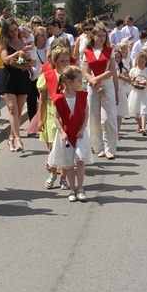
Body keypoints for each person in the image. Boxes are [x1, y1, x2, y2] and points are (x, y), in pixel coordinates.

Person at [48, 66, 93, 202]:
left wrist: (82, 129)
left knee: (80, 159)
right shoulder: (59, 98)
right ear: (68, 81)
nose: (81, 83)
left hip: (79, 133)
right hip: (66, 134)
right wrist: (62, 132)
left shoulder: (82, 95)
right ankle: (72, 189)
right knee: (68, 163)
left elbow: (86, 114)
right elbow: (56, 117)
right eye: (79, 80)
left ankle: (80, 188)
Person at [82, 24, 119, 160]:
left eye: (104, 36)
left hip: (106, 85)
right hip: (92, 86)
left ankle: (110, 148)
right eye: (99, 36)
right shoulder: (88, 51)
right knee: (94, 117)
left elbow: (111, 71)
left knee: (108, 118)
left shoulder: (110, 50)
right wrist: (94, 83)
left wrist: (97, 79)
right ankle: (98, 147)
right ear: (93, 36)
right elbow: (85, 71)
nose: (102, 38)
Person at [39, 45, 73, 190]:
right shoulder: (47, 76)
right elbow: (41, 99)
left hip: (67, 113)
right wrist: (40, 118)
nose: (65, 64)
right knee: (53, 146)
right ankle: (53, 173)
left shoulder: (72, 75)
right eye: (62, 61)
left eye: (67, 60)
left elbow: (80, 95)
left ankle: (64, 177)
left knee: (64, 147)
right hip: (51, 112)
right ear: (54, 61)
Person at [0, 19, 35, 153]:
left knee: (19, 111)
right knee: (12, 109)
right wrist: (18, 53)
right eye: (10, 30)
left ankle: (11, 138)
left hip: (22, 77)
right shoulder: (4, 43)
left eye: (15, 29)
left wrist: (30, 67)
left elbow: (31, 61)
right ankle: (18, 138)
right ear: (6, 32)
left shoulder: (23, 43)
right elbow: (5, 60)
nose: (14, 32)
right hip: (8, 78)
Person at [129, 51, 147, 136]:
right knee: (137, 110)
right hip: (136, 92)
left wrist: (146, 81)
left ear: (146, 62)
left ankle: (144, 127)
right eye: (139, 62)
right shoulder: (133, 70)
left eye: (142, 62)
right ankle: (139, 125)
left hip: (144, 91)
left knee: (144, 109)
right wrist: (133, 80)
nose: (140, 64)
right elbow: (130, 79)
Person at [114, 49, 130, 133]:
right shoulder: (110, 68)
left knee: (119, 114)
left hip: (121, 91)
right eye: (115, 57)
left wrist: (121, 77)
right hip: (112, 91)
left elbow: (129, 80)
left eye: (118, 57)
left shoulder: (123, 69)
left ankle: (117, 132)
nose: (117, 59)